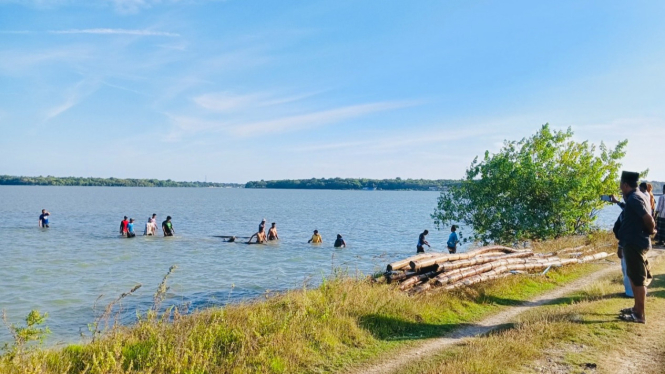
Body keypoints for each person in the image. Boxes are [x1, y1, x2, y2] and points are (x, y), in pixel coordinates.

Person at [617, 171, 656, 324]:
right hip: (631, 242)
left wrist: (650, 230)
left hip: (634, 243)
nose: (620, 188)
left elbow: (649, 219)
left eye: (621, 185)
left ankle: (640, 315)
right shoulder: (638, 196)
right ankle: (636, 309)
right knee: (634, 277)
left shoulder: (634, 198)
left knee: (638, 280)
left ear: (625, 184)